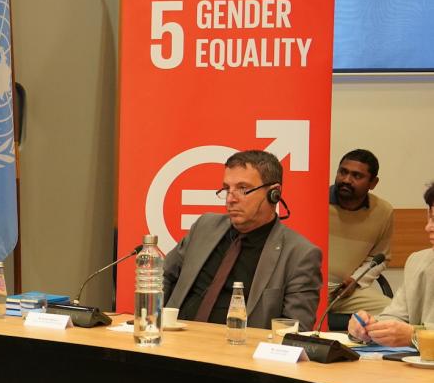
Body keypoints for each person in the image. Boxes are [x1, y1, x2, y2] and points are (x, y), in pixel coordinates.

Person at [163, 149, 323, 331]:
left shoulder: (299, 254)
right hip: (176, 339)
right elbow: (163, 275)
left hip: (239, 346)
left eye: (243, 189)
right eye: (227, 189)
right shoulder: (205, 226)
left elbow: (295, 330)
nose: (230, 199)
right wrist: (154, 318)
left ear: (274, 193)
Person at [349, 181, 434, 348]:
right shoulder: (418, 261)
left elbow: (409, 333)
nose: (428, 227)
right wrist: (369, 327)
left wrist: (414, 336)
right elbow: (396, 317)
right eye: (430, 217)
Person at [327, 149, 395, 330]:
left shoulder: (383, 211)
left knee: (393, 313)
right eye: (343, 172)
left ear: (373, 183)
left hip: (347, 292)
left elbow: (380, 258)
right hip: (309, 287)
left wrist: (355, 280)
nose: (346, 180)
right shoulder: (315, 200)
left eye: (356, 176)